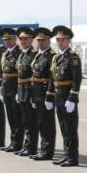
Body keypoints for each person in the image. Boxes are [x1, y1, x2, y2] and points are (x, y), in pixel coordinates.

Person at [51, 25, 83, 166]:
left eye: (62, 39)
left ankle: (72, 157)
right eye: (58, 39)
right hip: (58, 96)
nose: (60, 42)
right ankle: (66, 154)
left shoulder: (73, 58)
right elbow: (54, 78)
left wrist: (73, 97)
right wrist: (50, 96)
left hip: (67, 96)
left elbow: (77, 79)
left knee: (70, 128)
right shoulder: (57, 58)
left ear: (68, 40)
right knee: (63, 127)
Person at [29, 27, 58, 161]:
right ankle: (43, 149)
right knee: (40, 122)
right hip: (36, 92)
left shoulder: (52, 56)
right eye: (39, 40)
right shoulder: (37, 55)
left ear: (49, 40)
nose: (41, 43)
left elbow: (52, 77)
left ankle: (47, 151)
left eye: (43, 40)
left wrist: (50, 95)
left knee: (47, 123)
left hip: (45, 92)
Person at [14, 27, 39, 157]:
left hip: (29, 90)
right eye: (21, 39)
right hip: (22, 89)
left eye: (26, 38)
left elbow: (33, 76)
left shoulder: (33, 55)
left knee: (31, 121)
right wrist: (19, 91)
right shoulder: (22, 55)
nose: (23, 41)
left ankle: (31, 147)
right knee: (25, 120)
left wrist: (32, 94)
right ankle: (26, 145)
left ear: (31, 40)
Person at [0, 28, 24, 153]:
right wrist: (0, 87)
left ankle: (18, 143)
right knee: (10, 116)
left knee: (17, 117)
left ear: (15, 39)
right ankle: (13, 141)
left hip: (14, 88)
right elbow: (3, 72)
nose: (7, 42)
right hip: (6, 88)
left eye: (9, 39)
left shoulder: (19, 53)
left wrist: (19, 90)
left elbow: (21, 73)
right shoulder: (5, 54)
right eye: (5, 40)